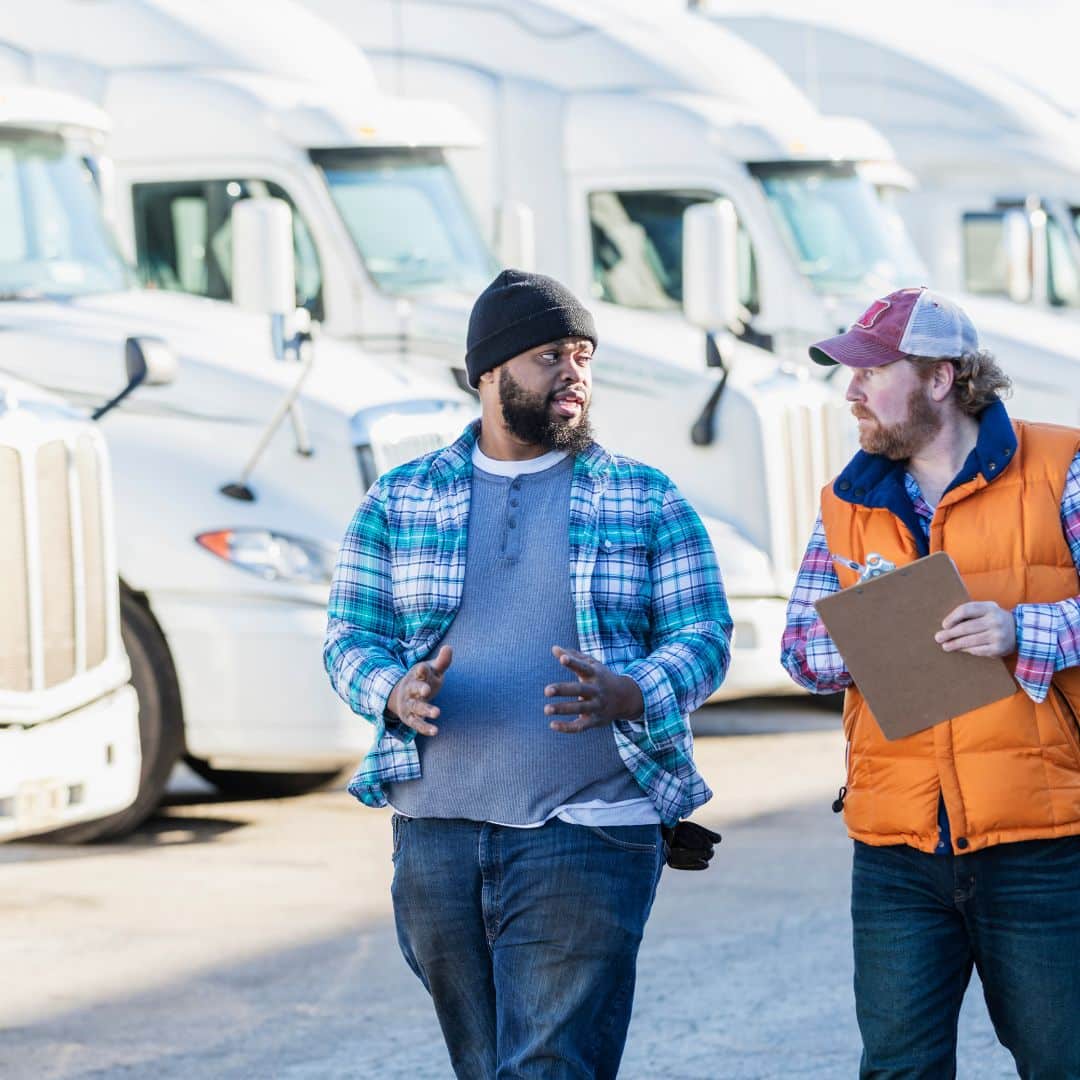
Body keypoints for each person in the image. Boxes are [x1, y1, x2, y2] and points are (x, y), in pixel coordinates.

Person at [325, 269, 731, 1079]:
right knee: (484, 1065)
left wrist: (633, 691)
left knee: (546, 1066)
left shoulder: (643, 497)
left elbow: (704, 634)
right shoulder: (400, 500)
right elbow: (348, 639)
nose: (574, 374)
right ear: (490, 373)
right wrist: (392, 691)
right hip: (435, 835)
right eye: (551, 356)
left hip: (588, 831)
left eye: (583, 356)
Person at [781, 286, 1080, 1078]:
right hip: (898, 851)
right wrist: (874, 633)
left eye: (872, 372)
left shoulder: (1062, 464)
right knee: (898, 1070)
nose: (851, 392)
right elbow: (801, 654)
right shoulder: (847, 501)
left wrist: (1025, 630)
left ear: (941, 378)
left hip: (1043, 844)